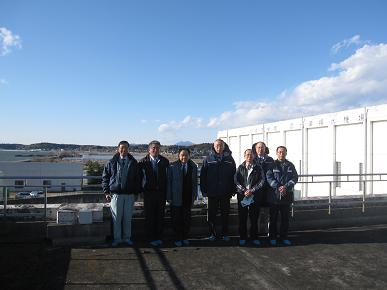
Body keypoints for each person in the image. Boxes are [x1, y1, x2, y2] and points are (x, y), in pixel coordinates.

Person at [102, 141, 140, 247]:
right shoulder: (112, 162)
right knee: (116, 218)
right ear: (118, 149)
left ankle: (127, 238)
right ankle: (117, 238)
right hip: (116, 195)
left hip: (129, 195)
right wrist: (106, 192)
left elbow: (138, 179)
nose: (124, 150)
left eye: (126, 148)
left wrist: (136, 192)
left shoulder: (133, 162)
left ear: (128, 149)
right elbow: (105, 178)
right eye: (121, 148)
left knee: (127, 219)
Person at [200, 139, 236, 241]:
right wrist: (204, 190)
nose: (218, 148)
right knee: (212, 215)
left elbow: (234, 175)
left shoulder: (229, 159)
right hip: (212, 192)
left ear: (224, 147)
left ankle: (225, 233)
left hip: (225, 192)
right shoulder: (208, 159)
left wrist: (233, 189)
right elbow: (203, 176)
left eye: (220, 146)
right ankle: (212, 233)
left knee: (225, 214)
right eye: (217, 146)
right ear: (213, 147)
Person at [266, 146, 298, 246]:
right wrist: (279, 187)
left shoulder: (290, 165)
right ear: (276, 153)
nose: (281, 154)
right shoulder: (272, 165)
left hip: (286, 196)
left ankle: (284, 237)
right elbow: (269, 178)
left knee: (285, 219)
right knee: (273, 219)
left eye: (283, 152)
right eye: (279, 152)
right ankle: (272, 237)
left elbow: (295, 178)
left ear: (286, 153)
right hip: (274, 197)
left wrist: (286, 187)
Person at [139, 140, 169, 246]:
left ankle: (159, 236)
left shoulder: (165, 161)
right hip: (148, 193)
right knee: (149, 216)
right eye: (153, 148)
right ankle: (150, 237)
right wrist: (141, 191)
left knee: (160, 216)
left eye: (157, 148)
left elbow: (168, 178)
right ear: (149, 149)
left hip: (161, 193)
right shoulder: (143, 162)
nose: (155, 150)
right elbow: (139, 179)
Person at [167, 148, 198, 247]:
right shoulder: (172, 166)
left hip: (188, 197)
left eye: (186, 155)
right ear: (179, 156)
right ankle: (178, 237)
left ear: (189, 156)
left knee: (186, 219)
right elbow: (169, 182)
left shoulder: (193, 166)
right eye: (182, 155)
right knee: (176, 219)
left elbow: (195, 183)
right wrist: (169, 196)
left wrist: (195, 195)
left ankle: (185, 237)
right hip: (176, 196)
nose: (184, 157)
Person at [234, 149, 265, 246]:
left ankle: (254, 237)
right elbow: (236, 180)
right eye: (247, 154)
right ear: (244, 156)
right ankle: (242, 237)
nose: (249, 156)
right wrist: (244, 190)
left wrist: (252, 190)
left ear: (254, 156)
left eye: (251, 154)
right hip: (242, 196)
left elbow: (262, 180)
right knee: (242, 218)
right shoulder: (240, 167)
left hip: (254, 196)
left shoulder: (258, 167)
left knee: (254, 218)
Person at [252, 141, 275, 235]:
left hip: (267, 190)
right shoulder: (252, 159)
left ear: (265, 149)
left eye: (262, 147)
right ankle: (255, 234)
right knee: (255, 213)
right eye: (258, 147)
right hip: (256, 191)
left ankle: (267, 232)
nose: (260, 149)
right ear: (255, 149)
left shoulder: (270, 160)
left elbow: (274, 174)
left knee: (268, 213)